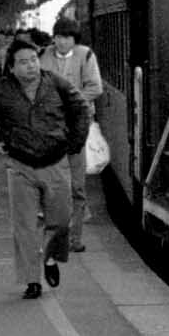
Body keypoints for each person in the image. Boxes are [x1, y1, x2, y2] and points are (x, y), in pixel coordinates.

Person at [0, 39, 87, 299]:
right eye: (23, 62)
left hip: (55, 161)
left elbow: (81, 109)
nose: (30, 66)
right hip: (20, 165)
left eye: (33, 60)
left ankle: (50, 258)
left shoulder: (56, 83)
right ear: (12, 67)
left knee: (61, 220)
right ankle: (31, 280)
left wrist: (74, 142)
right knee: (24, 225)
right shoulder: (2, 89)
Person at [41, 19, 104, 252]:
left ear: (74, 39)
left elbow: (95, 88)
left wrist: (69, 101)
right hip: (50, 128)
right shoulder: (43, 56)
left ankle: (74, 238)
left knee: (77, 185)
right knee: (53, 184)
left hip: (77, 127)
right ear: (53, 38)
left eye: (67, 37)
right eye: (58, 36)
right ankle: (56, 236)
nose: (62, 41)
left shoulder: (85, 56)